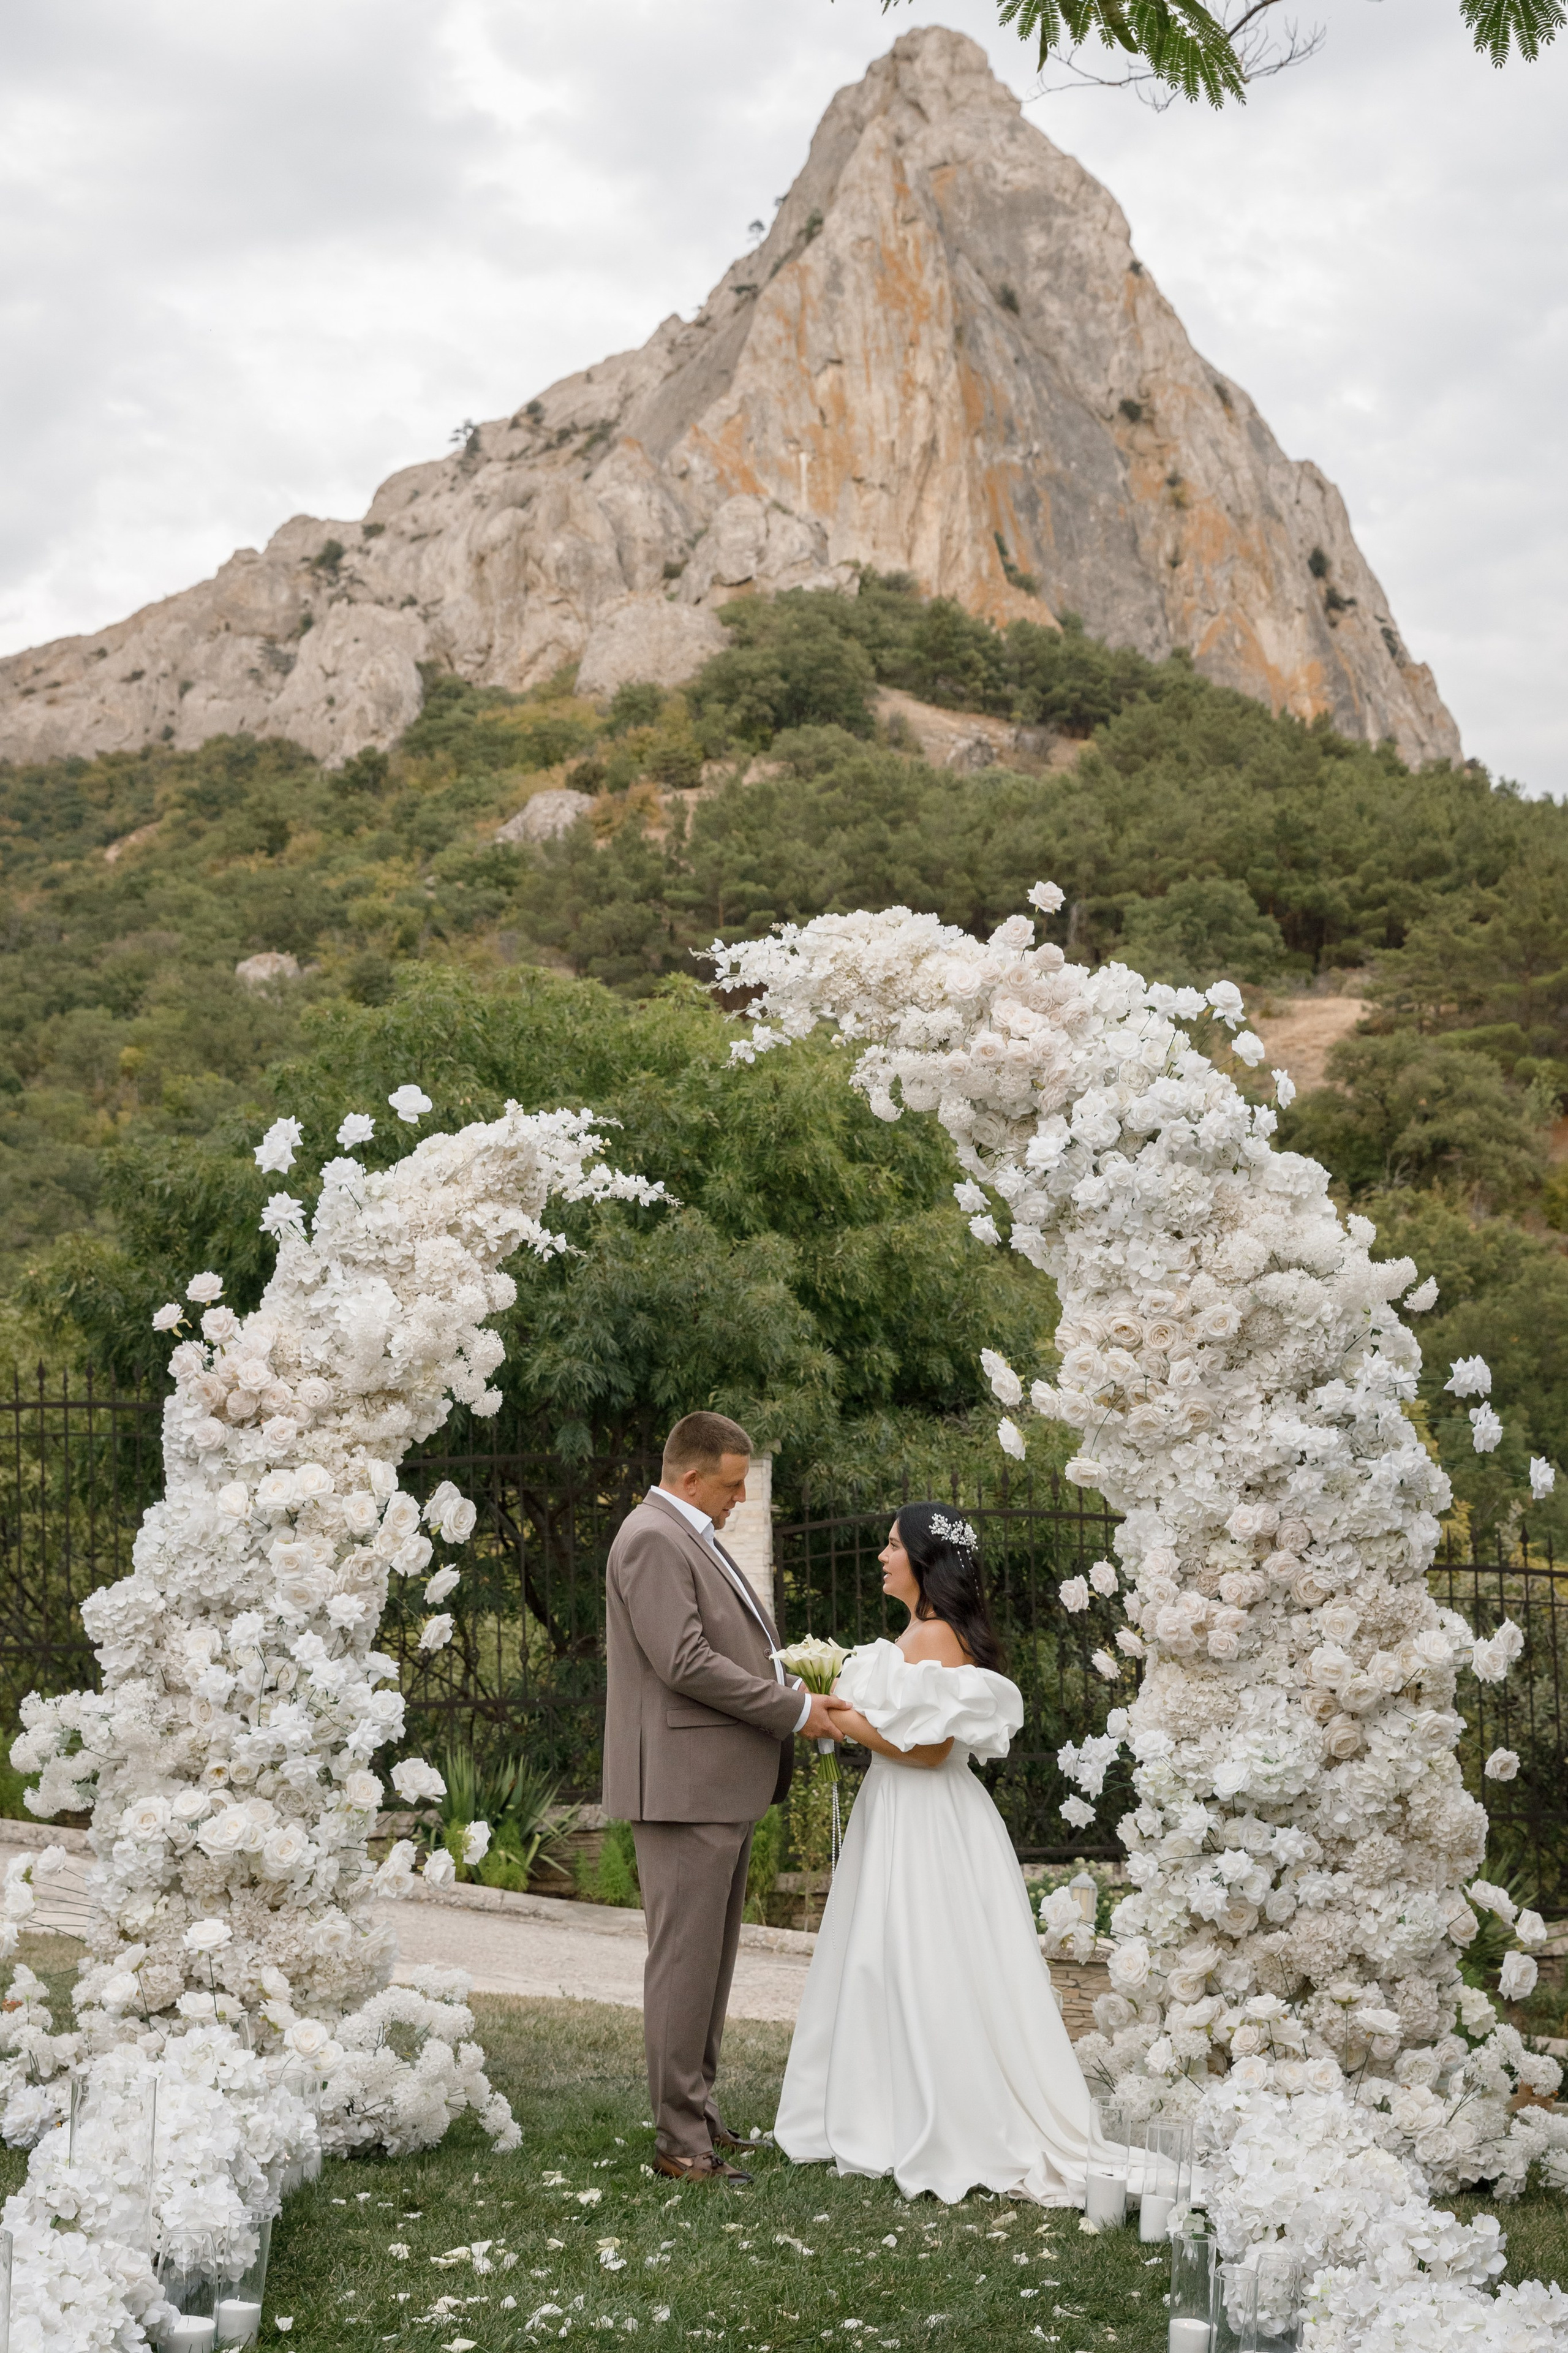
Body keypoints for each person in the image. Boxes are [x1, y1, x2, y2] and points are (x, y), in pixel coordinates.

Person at [774, 1503, 1093, 2205]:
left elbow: (928, 1751)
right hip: (896, 1812)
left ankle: (941, 2119)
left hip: (924, 1816)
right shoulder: (917, 1632)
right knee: (884, 1960)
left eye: (891, 1546)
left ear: (924, 1559)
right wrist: (834, 1712)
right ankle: (887, 2108)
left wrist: (833, 1718)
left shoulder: (935, 1636)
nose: (881, 1557)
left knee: (927, 1959)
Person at [602, 1410, 845, 2184]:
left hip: (713, 1785)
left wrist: (796, 1687)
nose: (740, 1499)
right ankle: (679, 2142)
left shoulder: (687, 1536)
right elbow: (685, 1660)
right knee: (683, 1966)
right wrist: (794, 1710)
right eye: (733, 1485)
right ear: (691, 1477)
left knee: (707, 1966)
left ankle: (699, 2114)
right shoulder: (651, 1538)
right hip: (682, 1789)